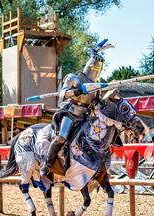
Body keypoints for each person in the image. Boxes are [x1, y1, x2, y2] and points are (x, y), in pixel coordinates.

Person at [40, 39, 111, 177]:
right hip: (71, 113)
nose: (96, 69)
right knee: (61, 137)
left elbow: (96, 101)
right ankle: (47, 163)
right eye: (94, 65)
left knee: (97, 137)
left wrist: (101, 102)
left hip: (86, 117)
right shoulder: (74, 78)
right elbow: (62, 94)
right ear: (89, 65)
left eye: (99, 68)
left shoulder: (96, 85)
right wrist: (77, 91)